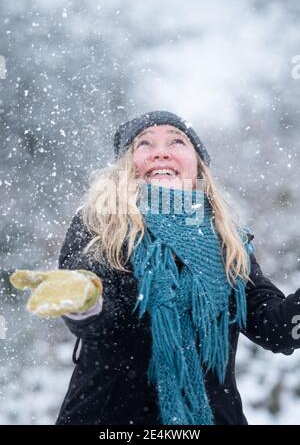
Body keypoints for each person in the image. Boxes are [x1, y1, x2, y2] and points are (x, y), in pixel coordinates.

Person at [38, 111, 300, 424]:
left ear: (197, 165)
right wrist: (84, 300)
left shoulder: (229, 244)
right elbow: (99, 320)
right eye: (144, 144)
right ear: (127, 167)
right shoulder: (100, 226)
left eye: (176, 142)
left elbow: (279, 330)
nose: (161, 151)